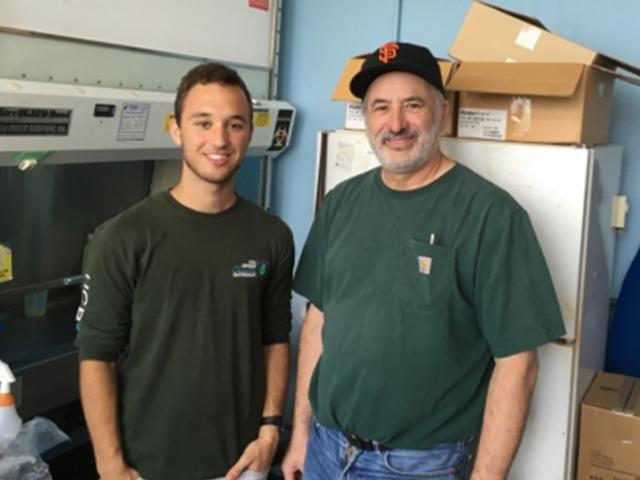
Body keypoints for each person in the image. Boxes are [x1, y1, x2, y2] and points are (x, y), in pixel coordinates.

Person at [281, 42, 565, 480]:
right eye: (380, 108)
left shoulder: (491, 216)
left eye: (412, 105)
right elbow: (318, 319)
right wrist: (299, 434)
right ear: (367, 119)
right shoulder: (341, 203)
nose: (395, 124)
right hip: (324, 448)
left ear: (442, 113)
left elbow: (519, 365)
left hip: (418, 467)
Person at [76, 62, 294, 480]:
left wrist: (270, 429)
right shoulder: (122, 238)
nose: (219, 139)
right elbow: (95, 357)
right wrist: (110, 466)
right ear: (176, 130)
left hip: (243, 464)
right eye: (203, 123)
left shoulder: (272, 236)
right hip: (149, 467)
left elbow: (275, 337)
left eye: (235, 125)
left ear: (250, 132)